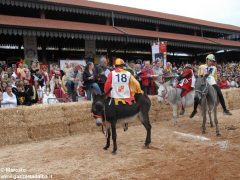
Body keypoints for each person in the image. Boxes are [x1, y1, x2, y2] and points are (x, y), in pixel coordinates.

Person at [190, 54, 232, 118]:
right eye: (210, 61)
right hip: (203, 82)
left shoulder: (214, 68)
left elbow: (214, 77)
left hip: (212, 83)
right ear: (206, 60)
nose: (212, 62)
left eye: (213, 61)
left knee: (220, 93)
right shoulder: (202, 66)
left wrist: (215, 83)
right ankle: (195, 110)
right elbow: (199, 76)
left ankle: (225, 109)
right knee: (197, 95)